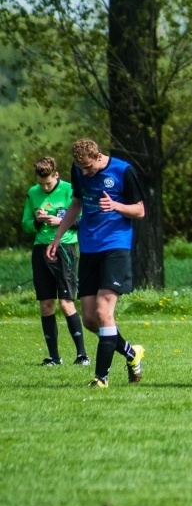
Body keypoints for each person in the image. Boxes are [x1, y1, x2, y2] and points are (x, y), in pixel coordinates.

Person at [46, 139, 146, 388]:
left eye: (89, 168)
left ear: (99, 156)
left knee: (104, 312)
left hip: (116, 246)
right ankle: (131, 353)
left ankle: (101, 377)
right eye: (81, 168)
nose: (85, 173)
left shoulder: (123, 170)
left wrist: (115, 205)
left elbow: (140, 211)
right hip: (89, 248)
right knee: (91, 319)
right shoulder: (78, 169)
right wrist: (58, 237)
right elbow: (77, 204)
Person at [22, 156, 89, 366]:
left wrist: (62, 221)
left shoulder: (71, 190)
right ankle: (54, 357)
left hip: (64, 249)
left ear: (56, 175)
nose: (44, 187)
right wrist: (37, 221)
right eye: (41, 183)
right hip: (41, 250)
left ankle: (82, 355)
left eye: (48, 183)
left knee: (66, 302)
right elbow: (25, 224)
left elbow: (85, 220)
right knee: (46, 304)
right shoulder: (33, 193)